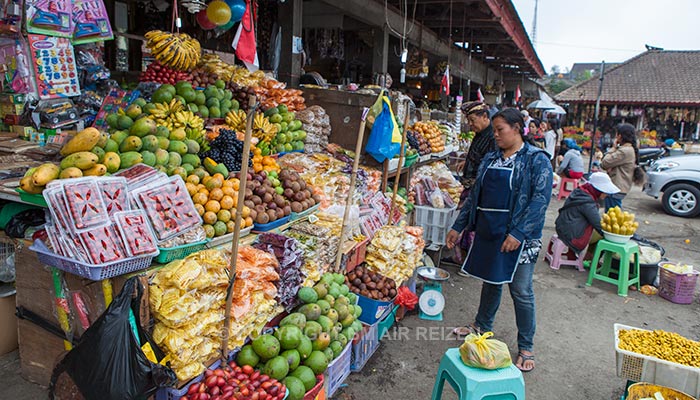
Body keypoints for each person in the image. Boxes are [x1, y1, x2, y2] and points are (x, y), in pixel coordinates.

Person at [445, 108, 553, 372]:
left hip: (520, 237)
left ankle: (526, 346)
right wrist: (458, 226)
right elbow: (475, 196)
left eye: (500, 130)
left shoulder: (536, 160)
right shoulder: (491, 158)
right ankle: (481, 326)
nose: (495, 136)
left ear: (517, 128)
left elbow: (540, 201)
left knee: (521, 291)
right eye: (493, 130)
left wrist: (518, 233)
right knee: (490, 281)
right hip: (489, 232)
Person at [446, 101, 497, 264]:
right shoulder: (480, 134)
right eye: (468, 120)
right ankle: (461, 257)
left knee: (470, 223)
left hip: (477, 187)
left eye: (472, 120)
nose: (470, 124)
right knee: (464, 220)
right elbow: (476, 154)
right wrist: (467, 161)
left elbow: (488, 163)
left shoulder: (492, 137)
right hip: (469, 184)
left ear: (484, 117)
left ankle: (469, 260)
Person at [555, 172, 620, 255]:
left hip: (562, 228)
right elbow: (598, 224)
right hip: (573, 235)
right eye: (605, 192)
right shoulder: (588, 203)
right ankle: (591, 259)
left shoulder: (580, 191)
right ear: (598, 190)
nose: (606, 195)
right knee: (602, 235)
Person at [601, 123, 645, 210]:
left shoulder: (624, 151)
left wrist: (613, 148)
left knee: (612, 216)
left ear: (620, 136)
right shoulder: (628, 149)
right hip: (619, 187)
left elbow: (604, 163)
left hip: (616, 187)